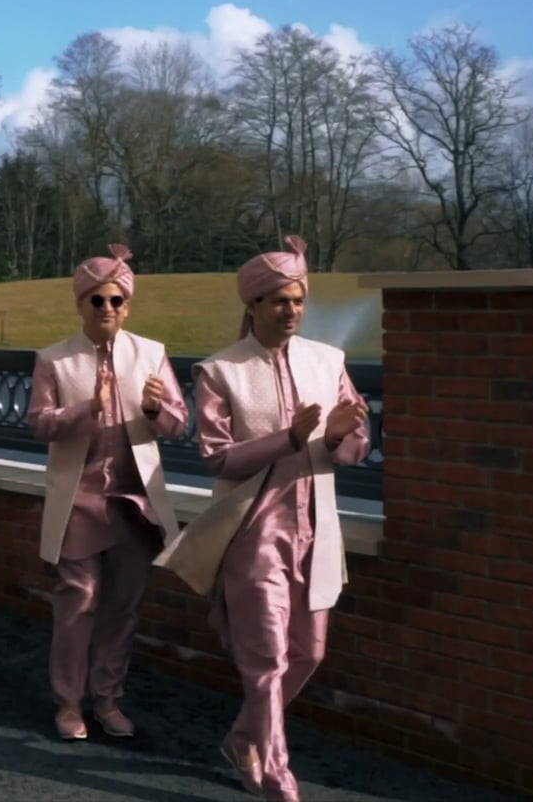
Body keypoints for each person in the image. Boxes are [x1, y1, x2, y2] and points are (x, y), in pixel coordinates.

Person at [159, 235, 369, 802]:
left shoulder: (329, 361)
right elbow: (216, 455)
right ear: (252, 305)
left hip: (318, 530)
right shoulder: (221, 372)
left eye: (298, 299)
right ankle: (276, 770)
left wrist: (345, 434)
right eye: (278, 300)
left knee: (310, 653)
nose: (291, 310)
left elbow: (354, 446)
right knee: (268, 657)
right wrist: (290, 438)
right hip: (253, 532)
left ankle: (242, 737)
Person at [28, 245, 184, 742]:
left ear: (128, 305)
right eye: (97, 300)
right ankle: (69, 702)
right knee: (79, 602)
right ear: (80, 304)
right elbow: (39, 424)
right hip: (80, 499)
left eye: (116, 300)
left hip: (134, 503)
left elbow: (179, 425)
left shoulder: (152, 354)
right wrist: (85, 410)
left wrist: (160, 410)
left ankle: (108, 697)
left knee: (123, 605)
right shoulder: (54, 359)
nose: (108, 309)